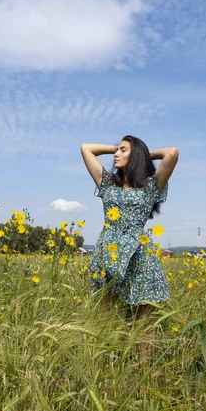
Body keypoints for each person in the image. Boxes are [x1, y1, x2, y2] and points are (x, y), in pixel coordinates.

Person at [80, 136, 179, 322]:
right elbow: (86, 148)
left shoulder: (151, 186)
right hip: (108, 253)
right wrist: (116, 147)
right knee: (105, 318)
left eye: (122, 150)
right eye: (117, 150)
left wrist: (142, 153)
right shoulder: (107, 183)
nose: (116, 154)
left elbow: (172, 153)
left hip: (139, 256)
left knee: (144, 324)